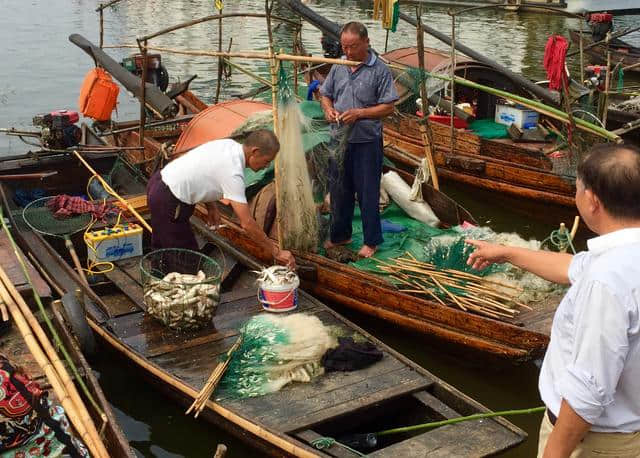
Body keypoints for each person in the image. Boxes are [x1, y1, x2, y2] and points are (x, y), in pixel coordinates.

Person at [466, 144, 640, 457]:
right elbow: (573, 267)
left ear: (592, 201)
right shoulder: (620, 258)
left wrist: (554, 453)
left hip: (594, 445)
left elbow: (589, 389)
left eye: (578, 188)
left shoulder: (606, 280)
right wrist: (505, 252)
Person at [147, 129, 296, 268]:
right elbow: (247, 223)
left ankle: (156, 284)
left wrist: (211, 207)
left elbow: (202, 171)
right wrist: (276, 252)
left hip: (159, 183)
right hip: (169, 199)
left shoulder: (228, 145)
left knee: (162, 249)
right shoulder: (233, 173)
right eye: (266, 161)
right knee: (186, 262)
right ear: (255, 152)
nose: (266, 166)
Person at [320, 21, 399, 258]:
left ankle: (371, 241)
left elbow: (388, 107)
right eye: (344, 46)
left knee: (367, 193)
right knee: (339, 190)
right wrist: (328, 110)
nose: (348, 52)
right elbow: (325, 94)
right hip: (339, 138)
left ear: (366, 42)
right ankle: (340, 235)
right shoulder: (339, 65)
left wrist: (360, 114)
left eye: (353, 47)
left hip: (366, 141)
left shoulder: (380, 70)